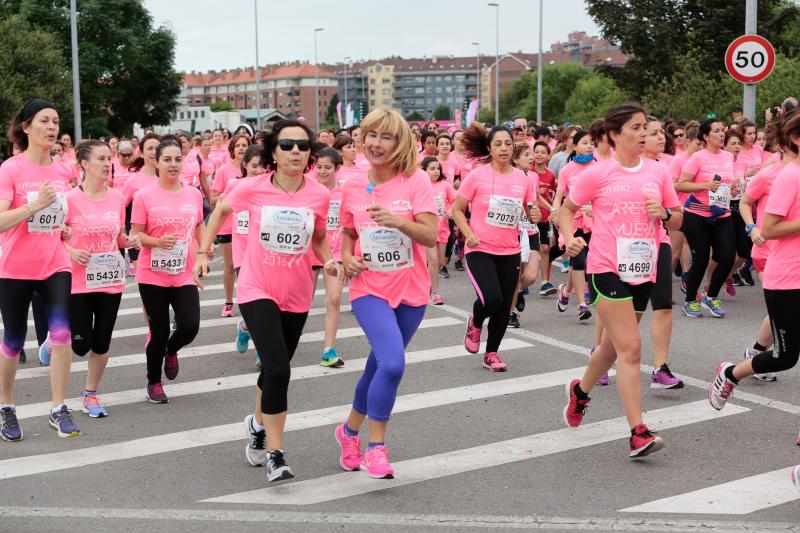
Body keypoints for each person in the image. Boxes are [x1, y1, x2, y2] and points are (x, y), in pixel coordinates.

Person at [197, 119, 343, 482]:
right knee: (279, 369)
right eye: (288, 145)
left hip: (296, 292)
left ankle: (257, 424)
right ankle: (276, 454)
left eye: (303, 146)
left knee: (273, 372)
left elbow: (320, 238)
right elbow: (219, 212)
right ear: (274, 152)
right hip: (257, 287)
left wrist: (330, 260)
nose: (296, 151)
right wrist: (204, 250)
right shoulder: (252, 187)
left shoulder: (318, 194)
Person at [561, 102, 683, 459]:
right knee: (631, 349)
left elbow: (676, 219)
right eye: (636, 127)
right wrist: (569, 238)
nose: (644, 132)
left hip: (642, 269)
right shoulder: (598, 174)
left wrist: (666, 214)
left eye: (646, 126)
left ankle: (580, 392)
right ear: (615, 135)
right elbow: (566, 209)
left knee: (613, 347)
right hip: (605, 268)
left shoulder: (657, 173)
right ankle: (638, 432)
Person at [334, 108, 437, 479]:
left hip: (411, 290)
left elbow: (430, 235)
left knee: (378, 365)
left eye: (386, 137)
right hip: (370, 288)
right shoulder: (351, 185)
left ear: (400, 142)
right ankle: (376, 447)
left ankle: (348, 431)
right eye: (371, 135)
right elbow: (347, 233)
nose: (377, 144)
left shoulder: (416, 181)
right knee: (392, 363)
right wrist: (347, 259)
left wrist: (398, 222)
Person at [707, 110, 800, 459]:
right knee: (784, 357)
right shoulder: (789, 176)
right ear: (795, 139)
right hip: (787, 276)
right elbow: (772, 226)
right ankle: (731, 372)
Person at [0, 99, 78, 440]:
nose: (52, 127)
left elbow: (61, 215)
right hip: (15, 268)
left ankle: (59, 407)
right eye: (44, 121)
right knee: (14, 340)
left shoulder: (63, 170)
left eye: (56, 121)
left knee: (61, 334)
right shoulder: (11, 170)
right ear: (27, 127)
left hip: (55, 264)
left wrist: (64, 228)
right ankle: (6, 407)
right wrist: (34, 206)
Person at [61, 140, 141, 418]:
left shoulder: (117, 198)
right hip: (78, 280)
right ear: (84, 164)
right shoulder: (69, 199)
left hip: (109, 279)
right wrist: (72, 250)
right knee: (81, 345)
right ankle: (55, 338)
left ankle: (90, 395)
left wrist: (129, 241)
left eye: (110, 158)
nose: (108, 163)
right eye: (101, 158)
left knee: (102, 342)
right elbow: (53, 239)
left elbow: (118, 235)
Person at [453, 122, 538, 372]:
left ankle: (491, 353)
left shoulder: (523, 179)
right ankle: (476, 320)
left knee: (503, 306)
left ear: (514, 147)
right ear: (489, 148)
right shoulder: (477, 176)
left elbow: (529, 212)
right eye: (498, 144)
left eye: (508, 144)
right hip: (480, 248)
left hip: (509, 250)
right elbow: (456, 210)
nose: (503, 148)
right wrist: (468, 233)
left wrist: (534, 213)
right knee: (491, 298)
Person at [130, 138, 205, 404]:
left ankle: (171, 350)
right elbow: (135, 234)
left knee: (189, 326)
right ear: (156, 162)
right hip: (152, 274)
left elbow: (199, 226)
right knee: (158, 331)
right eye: (167, 159)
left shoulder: (194, 194)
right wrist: (157, 242)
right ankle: (153, 382)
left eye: (177, 159)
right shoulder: (144, 196)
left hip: (183, 272)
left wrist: (204, 254)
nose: (173, 164)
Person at [738, 122, 788, 383]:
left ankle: (759, 351)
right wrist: (752, 227)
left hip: (792, 253)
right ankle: (757, 352)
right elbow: (746, 201)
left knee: (783, 311)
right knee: (777, 310)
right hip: (767, 251)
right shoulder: (771, 173)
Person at [676, 118, 736, 318]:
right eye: (717, 131)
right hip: (697, 215)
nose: (722, 134)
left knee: (727, 257)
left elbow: (726, 183)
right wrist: (705, 186)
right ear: (705, 136)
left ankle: (711, 296)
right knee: (701, 259)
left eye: (723, 130)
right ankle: (690, 300)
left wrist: (732, 187)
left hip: (722, 213)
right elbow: (681, 184)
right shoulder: (697, 158)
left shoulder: (728, 157)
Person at [226, 145, 266, 368]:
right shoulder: (236, 186)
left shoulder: (271, 188)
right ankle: (245, 327)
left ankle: (261, 351)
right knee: (252, 305)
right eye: (254, 166)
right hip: (242, 254)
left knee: (266, 306)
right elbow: (221, 209)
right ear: (244, 165)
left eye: (262, 166)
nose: (258, 170)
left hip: (265, 254)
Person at [552, 130, 595, 321]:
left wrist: (596, 208)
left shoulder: (597, 167)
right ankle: (582, 304)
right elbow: (559, 196)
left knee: (583, 261)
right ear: (575, 146)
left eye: (592, 143)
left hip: (593, 221)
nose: (589, 146)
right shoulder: (567, 170)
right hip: (573, 221)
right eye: (585, 142)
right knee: (579, 261)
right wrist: (555, 212)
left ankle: (566, 290)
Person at [311, 147, 347, 368]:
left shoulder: (345, 194)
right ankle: (249, 328)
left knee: (333, 299)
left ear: (337, 169)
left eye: (327, 168)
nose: (322, 172)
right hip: (310, 254)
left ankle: (328, 350)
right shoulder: (309, 191)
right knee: (300, 303)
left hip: (335, 254)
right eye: (319, 167)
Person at [210, 133, 251, 318]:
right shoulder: (223, 171)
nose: (241, 148)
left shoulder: (255, 169)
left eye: (245, 145)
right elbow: (213, 199)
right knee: (230, 265)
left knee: (249, 265)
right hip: (228, 226)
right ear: (232, 149)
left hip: (250, 226)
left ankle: (248, 301)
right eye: (238, 146)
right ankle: (228, 302)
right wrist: (231, 194)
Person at [508, 142, 542, 328]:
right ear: (515, 159)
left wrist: (549, 210)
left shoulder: (534, 176)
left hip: (531, 230)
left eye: (531, 154)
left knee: (529, 277)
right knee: (516, 275)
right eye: (527, 154)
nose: (531, 157)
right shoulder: (509, 178)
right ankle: (510, 313)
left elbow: (535, 199)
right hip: (515, 231)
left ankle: (517, 292)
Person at [422, 156, 456, 306]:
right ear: (424, 171)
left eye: (438, 169)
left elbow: (456, 201)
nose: (436, 171)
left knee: (440, 262)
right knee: (433, 261)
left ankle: (428, 287)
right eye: (432, 168)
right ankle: (435, 293)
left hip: (442, 230)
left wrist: (451, 210)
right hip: (425, 230)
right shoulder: (420, 185)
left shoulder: (445, 185)